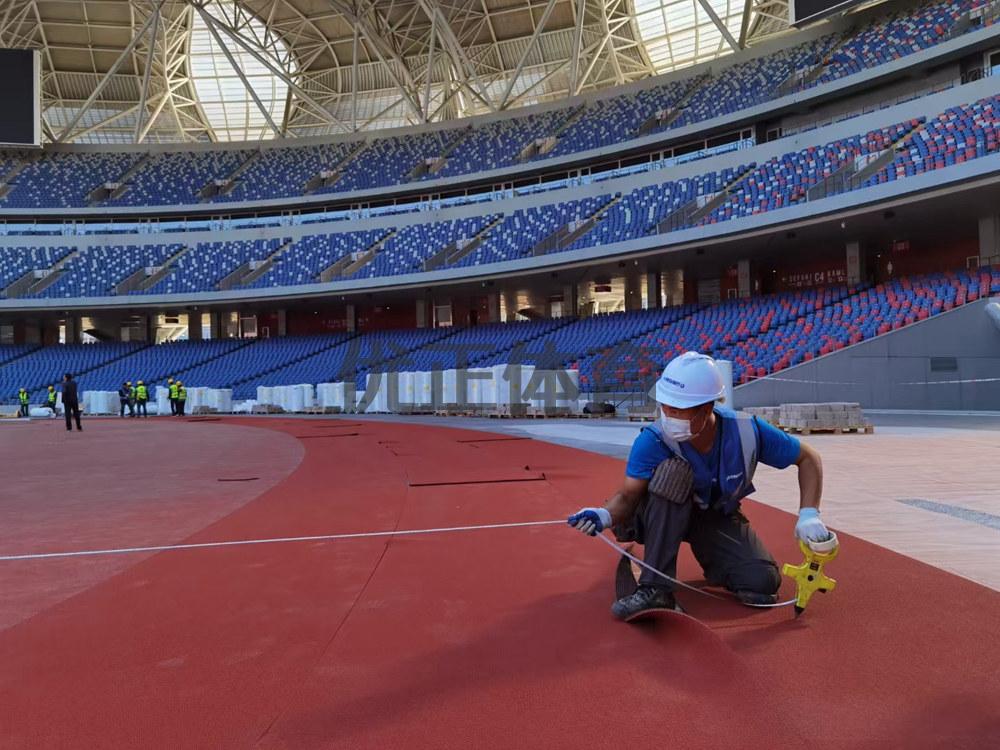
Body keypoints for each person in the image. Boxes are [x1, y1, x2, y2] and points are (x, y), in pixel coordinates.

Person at [568, 351, 831, 621]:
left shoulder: (745, 431)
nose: (667, 415)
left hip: (713, 515)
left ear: (707, 408)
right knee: (673, 473)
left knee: (761, 583)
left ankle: (720, 562)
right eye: (665, 406)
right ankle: (655, 588)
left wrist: (809, 514)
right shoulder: (654, 440)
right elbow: (627, 496)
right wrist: (604, 515)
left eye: (677, 409)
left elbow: (808, 458)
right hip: (656, 514)